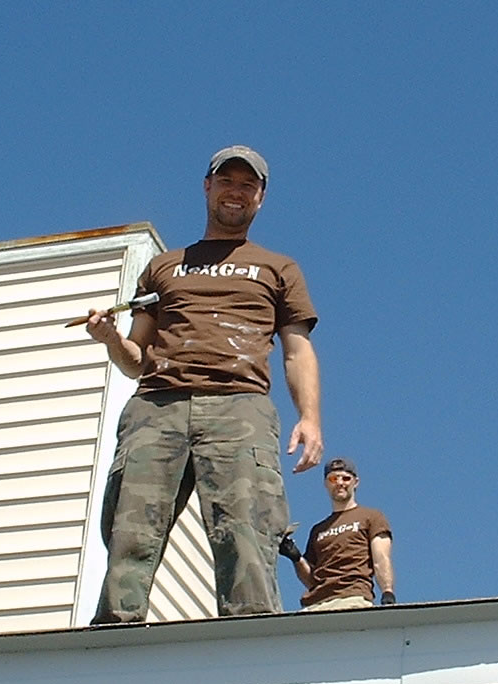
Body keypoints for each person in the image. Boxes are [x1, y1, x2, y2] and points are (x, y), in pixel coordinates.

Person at [83, 145, 323, 624]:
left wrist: (310, 419)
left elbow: (297, 350)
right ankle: (113, 637)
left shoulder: (279, 268)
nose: (236, 192)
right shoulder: (164, 268)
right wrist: (110, 338)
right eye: (227, 181)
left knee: (247, 533)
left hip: (241, 406)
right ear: (207, 187)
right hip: (157, 405)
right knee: (131, 532)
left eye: (248, 185)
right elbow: (135, 359)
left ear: (260, 197)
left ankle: (251, 638)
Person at [281, 458, 395, 611]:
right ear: (326, 483)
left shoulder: (372, 517)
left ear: (356, 482)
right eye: (333, 479)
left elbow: (381, 558)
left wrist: (387, 592)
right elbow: (311, 580)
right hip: (314, 605)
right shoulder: (318, 529)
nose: (340, 483)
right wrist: (295, 557)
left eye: (346, 478)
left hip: (352, 597)